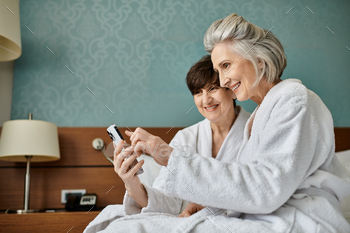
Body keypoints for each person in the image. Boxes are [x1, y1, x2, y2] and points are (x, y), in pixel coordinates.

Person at [102, 13, 350, 232]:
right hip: (265, 216)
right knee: (117, 220)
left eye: (226, 65)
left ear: (260, 60)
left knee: (133, 228)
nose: (222, 80)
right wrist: (206, 204)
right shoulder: (262, 115)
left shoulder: (295, 100)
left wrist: (167, 155)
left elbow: (265, 189)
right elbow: (250, 187)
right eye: (217, 70)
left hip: (299, 219)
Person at [84, 55, 250, 232]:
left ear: (231, 90)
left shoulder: (254, 131)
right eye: (198, 92)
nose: (206, 100)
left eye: (213, 88)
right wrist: (131, 183)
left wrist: (208, 207)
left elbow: (257, 190)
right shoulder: (186, 138)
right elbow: (167, 201)